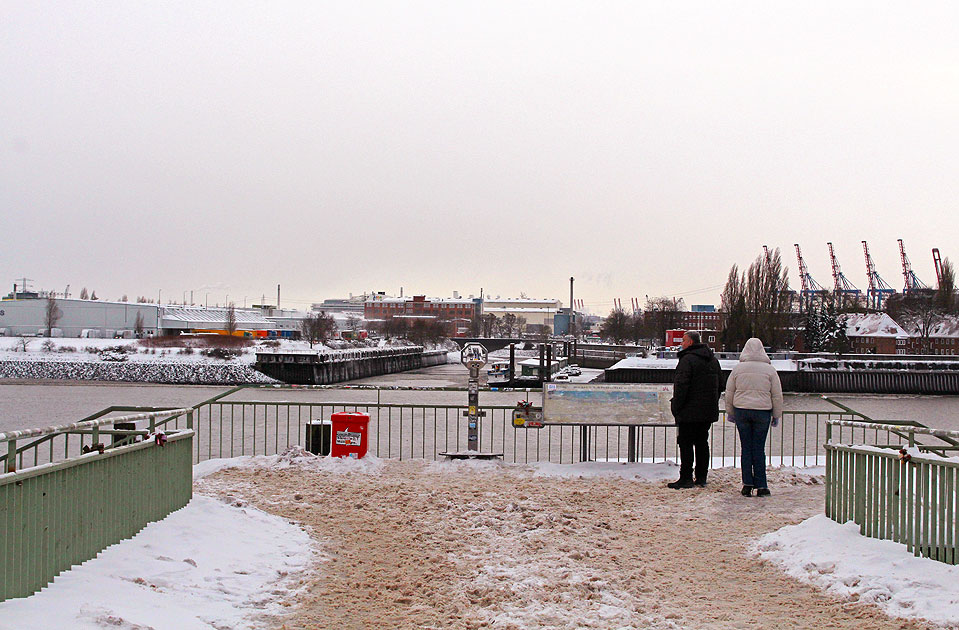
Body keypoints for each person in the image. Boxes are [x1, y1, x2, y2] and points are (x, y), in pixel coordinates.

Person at [725, 337, 783, 497]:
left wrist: (730, 412)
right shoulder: (770, 370)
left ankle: (747, 484)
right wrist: (776, 415)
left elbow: (729, 393)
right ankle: (762, 485)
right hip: (762, 412)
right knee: (758, 448)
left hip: (742, 411)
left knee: (746, 448)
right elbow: (777, 395)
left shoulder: (738, 369)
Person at [668, 331, 721, 489]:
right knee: (702, 443)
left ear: (690, 342)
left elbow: (681, 386)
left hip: (688, 411)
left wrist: (676, 406)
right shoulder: (712, 360)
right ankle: (702, 477)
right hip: (707, 412)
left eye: (683, 340)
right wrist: (711, 402)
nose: (681, 343)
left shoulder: (687, 360)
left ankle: (686, 478)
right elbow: (720, 385)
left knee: (685, 444)